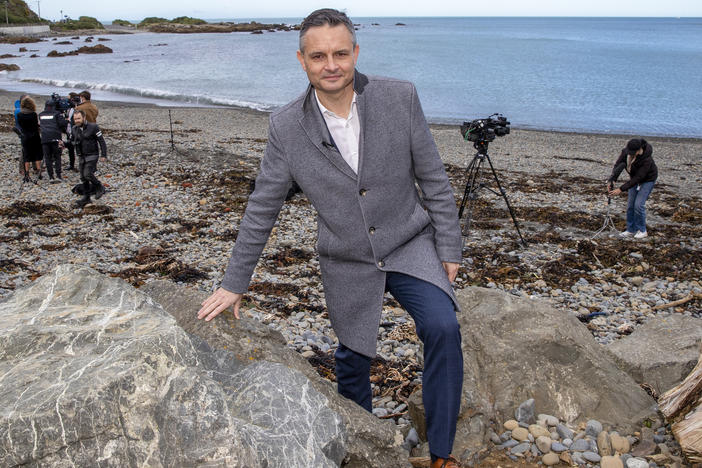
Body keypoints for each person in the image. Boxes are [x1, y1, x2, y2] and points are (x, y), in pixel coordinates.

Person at [197, 9, 464, 468]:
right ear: (301, 60)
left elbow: (434, 179)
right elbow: (263, 205)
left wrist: (449, 248)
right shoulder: (285, 125)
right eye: (318, 56)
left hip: (409, 242)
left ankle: (441, 451)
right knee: (354, 355)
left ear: (355, 52)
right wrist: (235, 282)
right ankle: (362, 444)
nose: (331, 64)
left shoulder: (400, 97)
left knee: (444, 326)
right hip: (346, 258)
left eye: (341, 53)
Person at [608, 138, 658, 239]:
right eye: (629, 152)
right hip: (633, 179)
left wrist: (621, 189)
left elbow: (638, 177)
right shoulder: (626, 152)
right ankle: (631, 229)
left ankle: (642, 230)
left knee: (638, 205)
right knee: (630, 206)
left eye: (632, 153)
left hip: (647, 180)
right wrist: (612, 179)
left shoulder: (647, 159)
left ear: (639, 150)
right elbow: (618, 165)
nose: (630, 154)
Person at [71, 110, 107, 208]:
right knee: (83, 177)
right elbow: (71, 142)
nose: (76, 120)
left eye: (78, 118)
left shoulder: (93, 127)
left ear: (84, 118)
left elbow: (102, 141)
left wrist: (104, 155)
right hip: (81, 156)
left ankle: (99, 186)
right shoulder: (74, 129)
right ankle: (86, 197)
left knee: (88, 174)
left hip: (92, 154)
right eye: (75, 119)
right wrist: (63, 144)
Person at [38, 100, 68, 182]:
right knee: (57, 156)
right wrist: (65, 119)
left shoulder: (41, 114)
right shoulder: (57, 114)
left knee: (47, 158)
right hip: (56, 138)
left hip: (45, 139)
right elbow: (63, 124)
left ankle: (51, 177)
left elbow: (40, 124)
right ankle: (58, 175)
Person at [15, 96, 44, 182]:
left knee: (26, 155)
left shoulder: (19, 114)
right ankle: (39, 172)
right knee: (37, 154)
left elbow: (20, 126)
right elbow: (35, 126)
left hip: (25, 136)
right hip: (35, 136)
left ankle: (27, 174)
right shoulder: (34, 114)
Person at [65, 92, 81, 171]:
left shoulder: (78, 109)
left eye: (69, 99)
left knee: (79, 148)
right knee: (70, 148)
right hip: (69, 130)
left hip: (76, 131)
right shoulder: (69, 109)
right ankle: (71, 165)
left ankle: (82, 164)